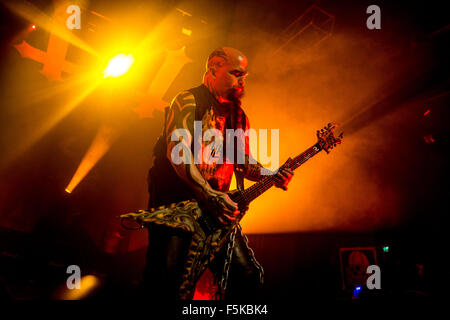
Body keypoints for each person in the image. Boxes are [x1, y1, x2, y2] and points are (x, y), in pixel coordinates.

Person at [142, 47, 294, 300]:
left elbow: (242, 161)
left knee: (247, 276)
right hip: (176, 210)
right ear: (214, 67)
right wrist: (208, 193)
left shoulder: (238, 116)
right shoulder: (188, 100)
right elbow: (177, 152)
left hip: (215, 215)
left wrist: (271, 174)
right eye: (237, 73)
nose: (243, 81)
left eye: (245, 75)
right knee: (166, 284)